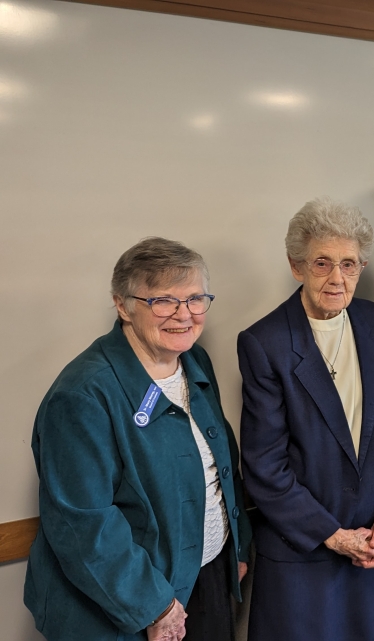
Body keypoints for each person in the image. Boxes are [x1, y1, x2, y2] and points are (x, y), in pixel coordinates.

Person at [24, 237, 251, 641]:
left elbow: (219, 465)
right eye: (163, 300)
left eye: (196, 298)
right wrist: (155, 607)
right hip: (130, 606)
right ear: (122, 305)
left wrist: (236, 548)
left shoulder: (193, 361)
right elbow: (84, 525)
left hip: (204, 578)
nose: (184, 315)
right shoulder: (82, 395)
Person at [238, 198, 374, 641]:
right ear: (296, 267)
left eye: (349, 264)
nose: (337, 278)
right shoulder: (265, 342)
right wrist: (333, 535)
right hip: (302, 546)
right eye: (322, 263)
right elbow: (263, 467)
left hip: (368, 544)